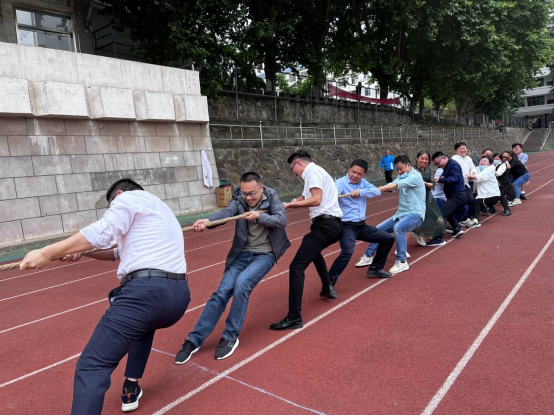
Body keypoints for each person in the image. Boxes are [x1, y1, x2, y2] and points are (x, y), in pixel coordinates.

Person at [20, 179, 191, 415]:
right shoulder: (160, 210)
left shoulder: (128, 198)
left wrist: (47, 252)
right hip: (178, 296)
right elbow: (116, 253)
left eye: (111, 206)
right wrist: (81, 251)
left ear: (118, 194)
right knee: (143, 327)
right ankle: (131, 386)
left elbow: (101, 231)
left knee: (92, 366)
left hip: (146, 294)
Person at [175, 172, 290, 364]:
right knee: (221, 292)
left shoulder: (271, 196)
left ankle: (230, 337)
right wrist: (207, 221)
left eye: (252, 193)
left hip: (265, 254)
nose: (248, 198)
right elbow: (227, 213)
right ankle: (194, 340)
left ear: (261, 188)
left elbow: (281, 220)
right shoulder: (239, 199)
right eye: (245, 193)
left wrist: (259, 217)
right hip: (242, 254)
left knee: (242, 284)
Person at [270, 151, 343, 331]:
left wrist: (291, 205)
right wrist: (295, 201)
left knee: (296, 267)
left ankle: (294, 318)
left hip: (326, 225)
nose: (294, 173)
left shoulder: (312, 172)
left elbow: (316, 200)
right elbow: (307, 196)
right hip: (327, 225)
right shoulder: (315, 172)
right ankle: (327, 286)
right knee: (311, 247)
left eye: (292, 169)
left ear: (298, 163)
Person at [329, 159, 395, 281]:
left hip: (361, 226)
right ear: (349, 169)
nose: (355, 176)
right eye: (353, 172)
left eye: (359, 174)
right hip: (346, 226)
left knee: (388, 239)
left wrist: (361, 192)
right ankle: (329, 283)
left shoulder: (363, 183)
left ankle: (375, 269)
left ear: (364, 175)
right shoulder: (340, 183)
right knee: (347, 252)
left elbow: (377, 191)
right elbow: (330, 200)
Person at [362, 155, 426, 274]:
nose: (399, 172)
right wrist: (372, 190)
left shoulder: (415, 176)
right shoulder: (402, 176)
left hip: (416, 214)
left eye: (401, 168)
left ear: (409, 166)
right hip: (401, 214)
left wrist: (380, 189)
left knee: (399, 228)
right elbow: (392, 185)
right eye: (397, 169)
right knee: (379, 229)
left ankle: (402, 261)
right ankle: (368, 256)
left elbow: (396, 185)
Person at [411, 151, 447, 247]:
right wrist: (427, 184)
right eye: (422, 158)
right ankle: (418, 233)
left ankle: (427, 235)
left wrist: (429, 184)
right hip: (416, 197)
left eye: (426, 159)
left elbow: (431, 182)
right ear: (417, 158)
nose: (424, 161)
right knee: (419, 216)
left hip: (428, 196)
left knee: (436, 216)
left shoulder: (428, 169)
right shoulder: (412, 170)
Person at [432, 152, 468, 238]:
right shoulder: (447, 166)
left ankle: (438, 237)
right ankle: (457, 229)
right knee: (449, 212)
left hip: (457, 196)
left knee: (442, 213)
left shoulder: (453, 165)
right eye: (436, 164)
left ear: (444, 158)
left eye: (438, 163)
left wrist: (440, 180)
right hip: (454, 195)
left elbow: (455, 179)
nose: (438, 166)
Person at [468, 155, 511, 226]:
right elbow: (475, 169)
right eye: (481, 161)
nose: (482, 162)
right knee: (476, 202)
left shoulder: (490, 170)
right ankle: (475, 219)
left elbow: (479, 177)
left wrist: (468, 176)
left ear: (489, 163)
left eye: (485, 161)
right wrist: (471, 174)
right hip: (484, 194)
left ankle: (475, 220)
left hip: (492, 195)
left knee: (477, 202)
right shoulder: (480, 168)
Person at [452, 142, 476, 227]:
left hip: (465, 183)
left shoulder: (468, 158)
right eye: (460, 149)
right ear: (456, 151)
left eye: (464, 148)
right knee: (463, 201)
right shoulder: (454, 159)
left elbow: (473, 168)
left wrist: (471, 173)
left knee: (471, 200)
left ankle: (464, 218)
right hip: (457, 185)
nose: (463, 150)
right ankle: (462, 218)